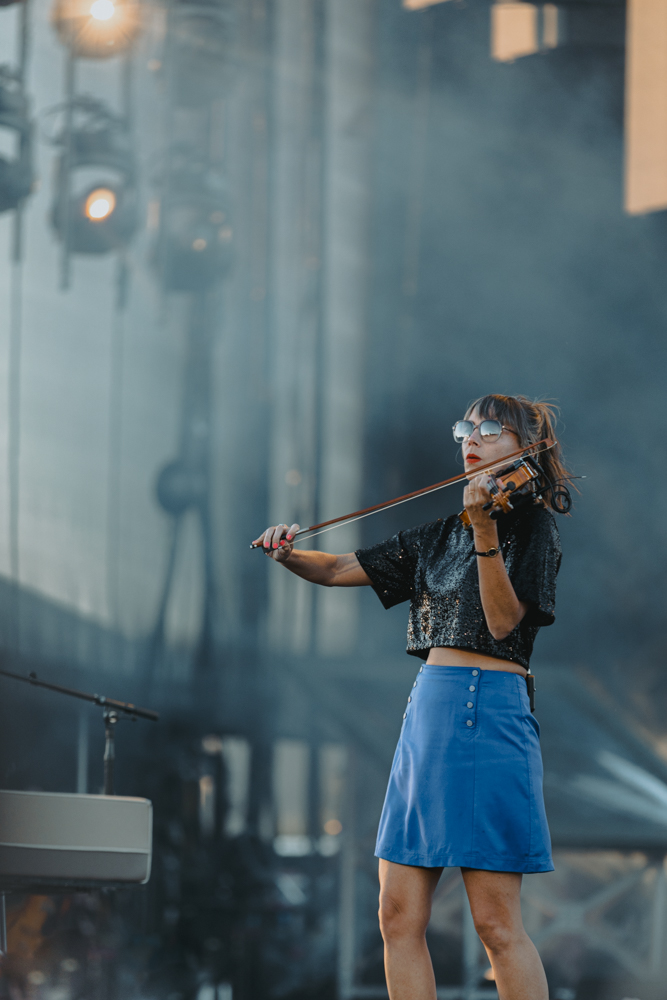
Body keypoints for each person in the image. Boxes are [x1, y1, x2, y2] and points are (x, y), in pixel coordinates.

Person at [253, 394, 571, 1000]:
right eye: (464, 428)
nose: (470, 438)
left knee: (496, 924)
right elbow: (335, 567)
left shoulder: (531, 527)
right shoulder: (436, 534)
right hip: (429, 712)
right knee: (396, 916)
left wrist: (483, 528)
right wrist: (290, 552)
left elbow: (504, 624)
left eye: (489, 429)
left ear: (527, 445)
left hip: (491, 706)